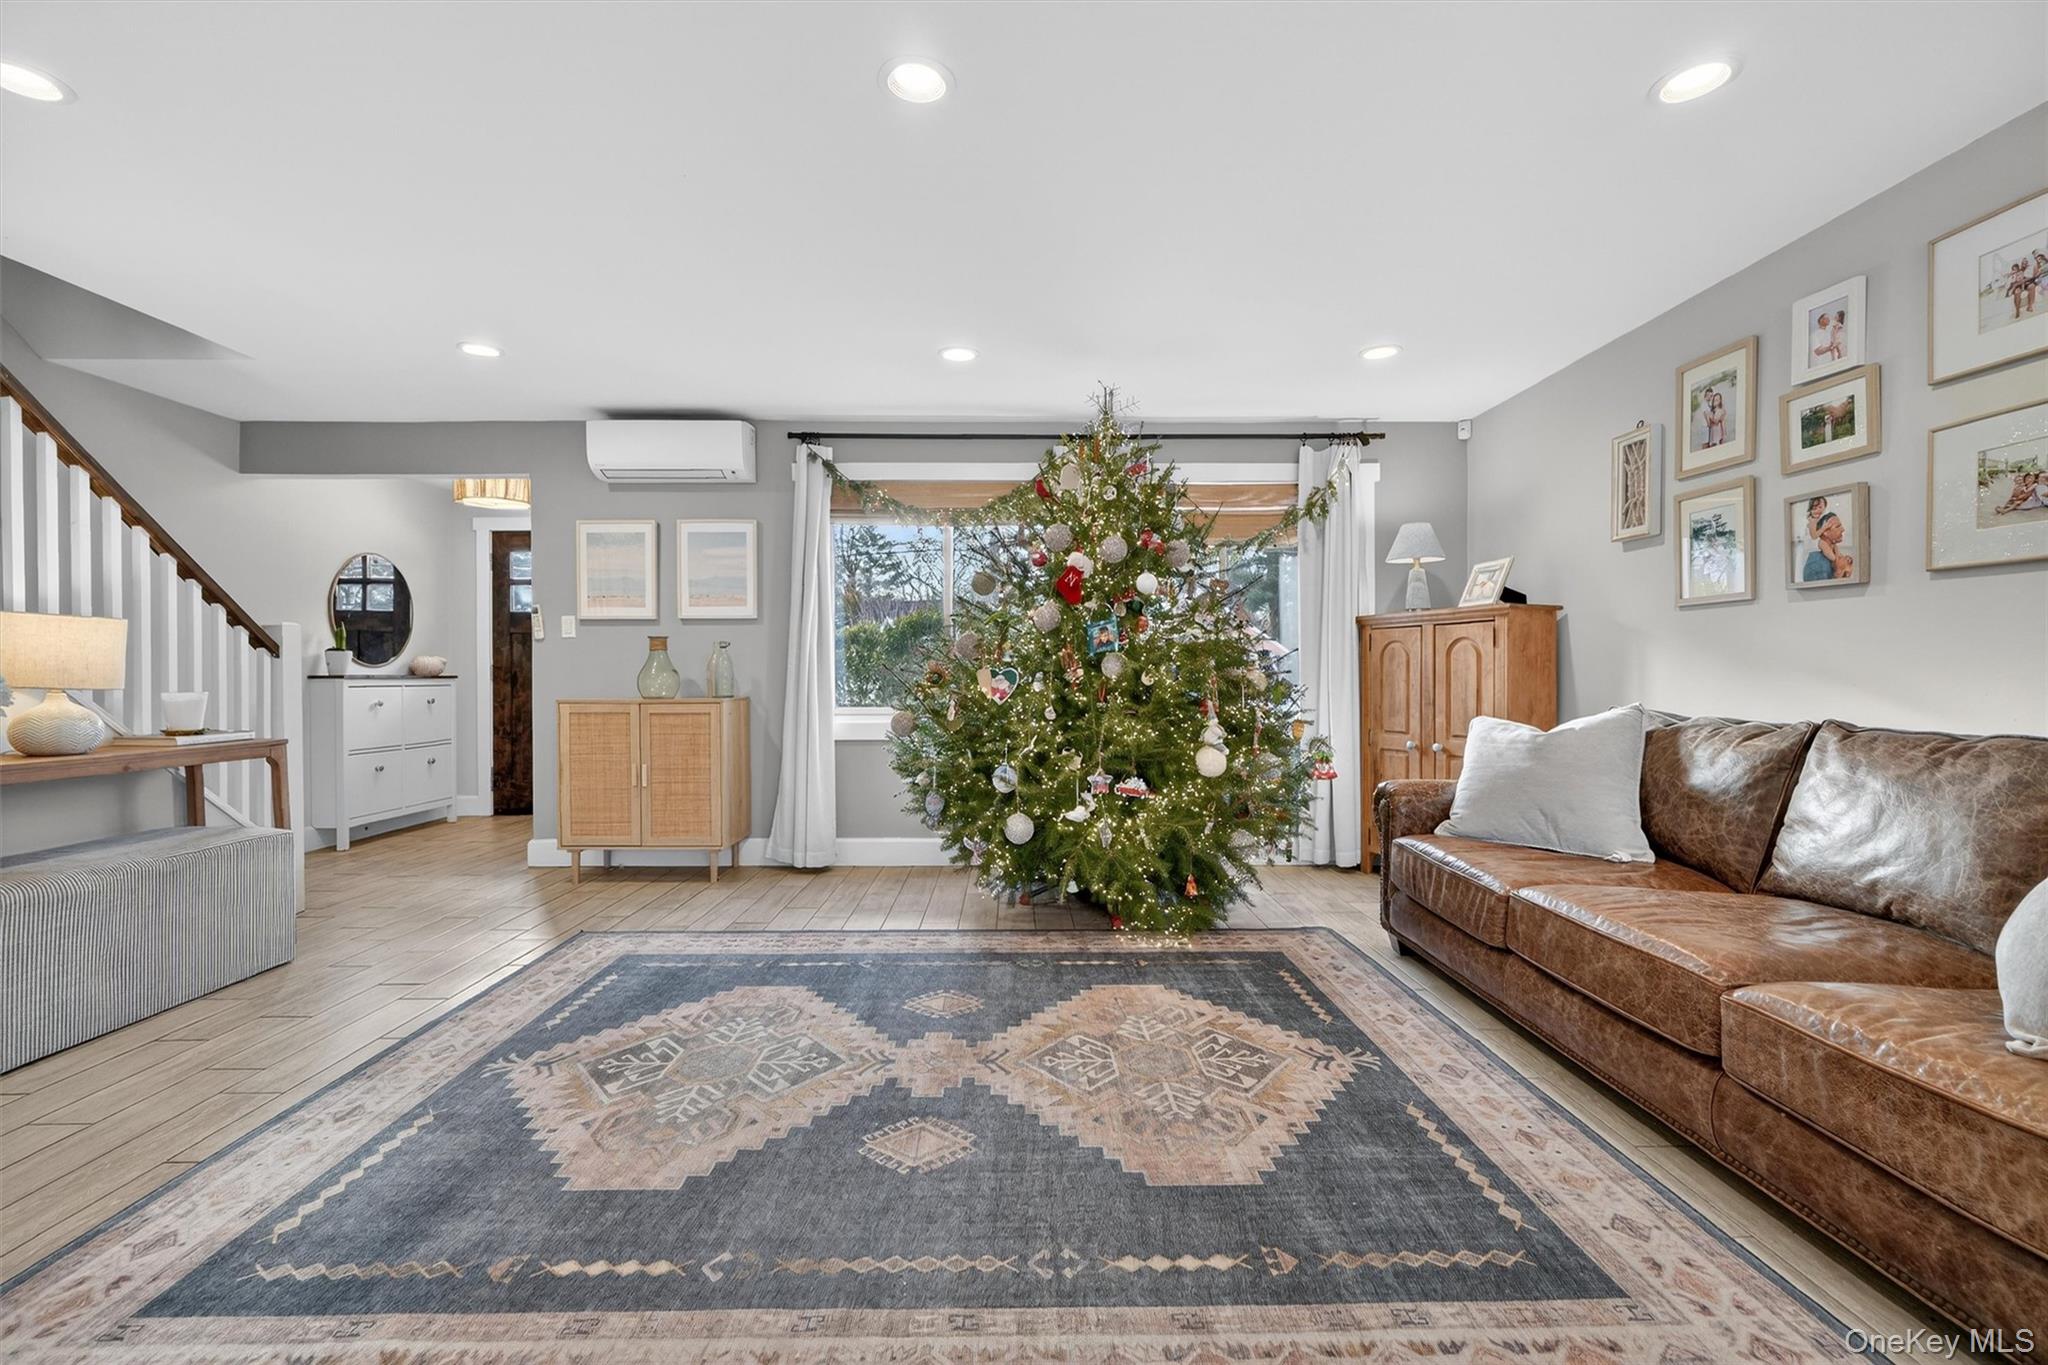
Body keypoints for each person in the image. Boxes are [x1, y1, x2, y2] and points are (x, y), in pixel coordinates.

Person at [1803, 511, 1854, 581]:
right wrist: (1839, 570)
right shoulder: (1817, 564)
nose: (1843, 529)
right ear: (1825, 532)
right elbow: (1826, 590)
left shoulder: (1833, 549)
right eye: (1837, 526)